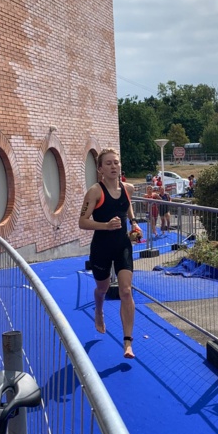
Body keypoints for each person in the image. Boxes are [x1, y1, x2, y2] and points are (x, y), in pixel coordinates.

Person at [79, 148, 142, 359]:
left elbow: (127, 205)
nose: (113, 166)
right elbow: (82, 222)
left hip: (123, 245)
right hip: (101, 247)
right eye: (108, 163)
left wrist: (134, 223)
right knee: (102, 289)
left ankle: (128, 343)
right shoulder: (95, 192)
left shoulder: (127, 188)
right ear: (100, 169)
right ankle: (98, 310)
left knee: (126, 291)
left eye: (116, 162)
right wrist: (105, 225)